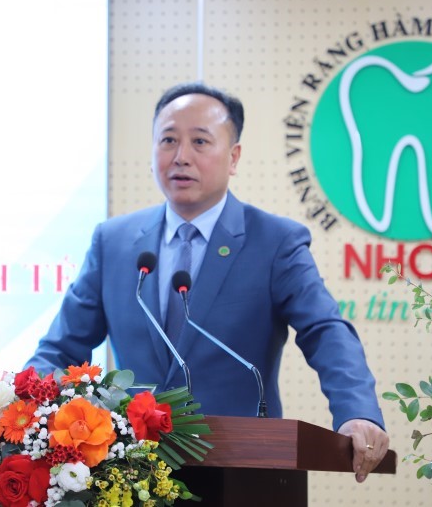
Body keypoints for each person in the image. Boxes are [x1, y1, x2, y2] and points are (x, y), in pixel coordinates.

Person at [25, 82, 389, 482]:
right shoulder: (113, 242)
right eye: (168, 140)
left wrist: (357, 411)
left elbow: (325, 330)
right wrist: (21, 406)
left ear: (233, 157)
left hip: (243, 472)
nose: (181, 156)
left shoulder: (275, 241)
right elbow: (60, 349)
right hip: (129, 474)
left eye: (200, 141)